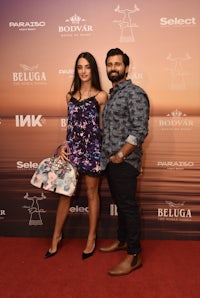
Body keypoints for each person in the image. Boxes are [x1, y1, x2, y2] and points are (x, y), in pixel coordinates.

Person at [45, 52, 108, 260]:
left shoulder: (101, 96)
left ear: (93, 70)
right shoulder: (69, 96)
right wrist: (62, 146)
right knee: (65, 195)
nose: (83, 71)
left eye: (87, 67)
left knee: (92, 194)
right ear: (76, 70)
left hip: (92, 150)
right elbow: (71, 128)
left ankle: (91, 237)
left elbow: (103, 127)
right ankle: (55, 237)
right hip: (73, 151)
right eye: (79, 67)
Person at [100, 48, 150, 276]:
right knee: (121, 205)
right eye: (109, 64)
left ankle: (134, 254)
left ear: (126, 67)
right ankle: (122, 241)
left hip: (125, 161)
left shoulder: (134, 93)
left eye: (117, 64)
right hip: (111, 162)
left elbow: (139, 130)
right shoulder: (112, 96)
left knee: (128, 207)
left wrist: (121, 155)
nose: (113, 68)